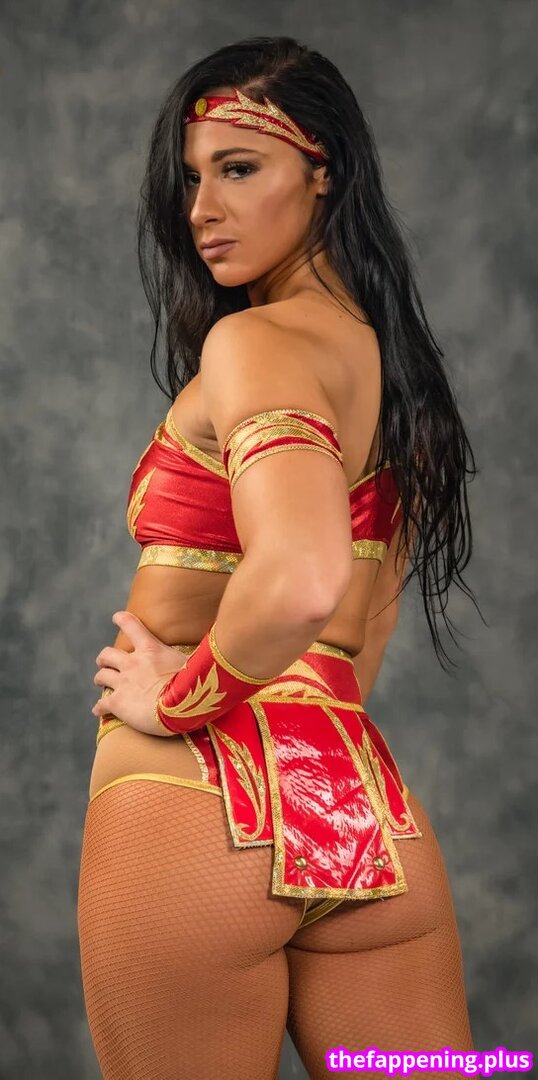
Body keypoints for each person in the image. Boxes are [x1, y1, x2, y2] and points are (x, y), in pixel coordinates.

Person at [77, 35, 479, 1080]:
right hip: (361, 811)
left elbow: (300, 579)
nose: (201, 208)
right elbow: (359, 629)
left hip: (196, 807)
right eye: (192, 178)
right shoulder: (393, 380)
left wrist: (179, 702)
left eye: (239, 167)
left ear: (323, 171)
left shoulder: (253, 344)